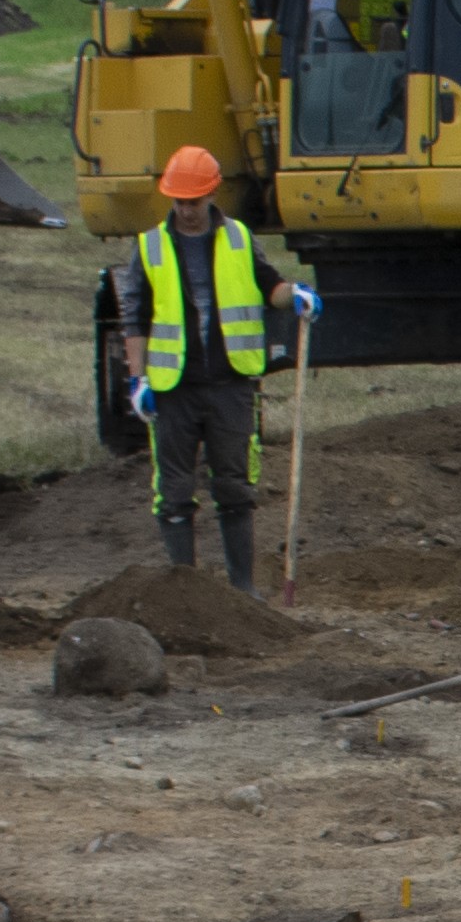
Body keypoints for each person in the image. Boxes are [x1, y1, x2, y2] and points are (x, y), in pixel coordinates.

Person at [118, 143, 294, 592]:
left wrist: (298, 297)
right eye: (178, 201)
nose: (186, 210)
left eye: (193, 201)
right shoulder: (151, 246)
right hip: (174, 389)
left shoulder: (237, 238)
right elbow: (134, 316)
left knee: (235, 489)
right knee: (174, 494)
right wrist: (138, 380)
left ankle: (242, 592)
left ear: (212, 195)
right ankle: (187, 593)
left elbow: (268, 285)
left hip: (230, 385)